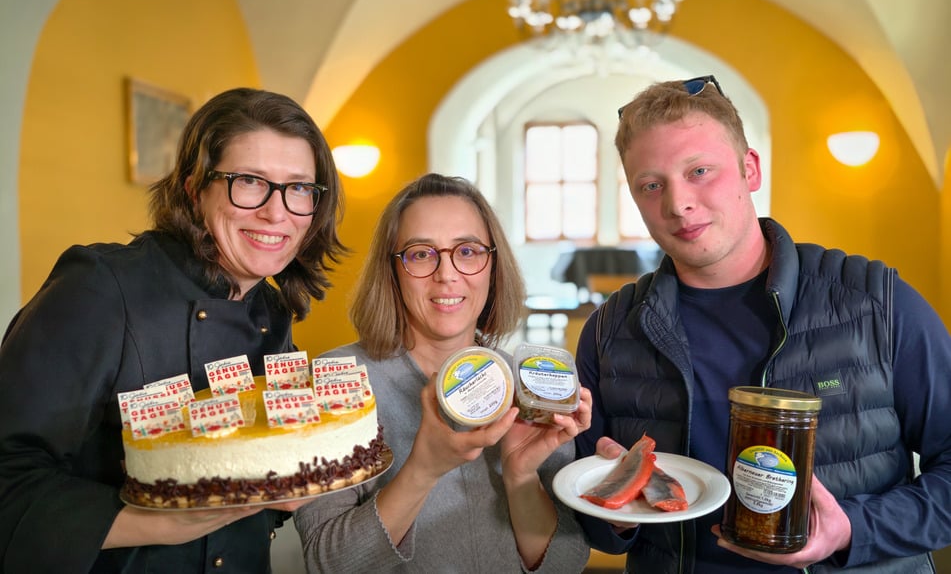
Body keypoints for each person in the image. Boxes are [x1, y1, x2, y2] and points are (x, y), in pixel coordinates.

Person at [575, 75, 951, 573]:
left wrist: (852, 529)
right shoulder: (609, 330)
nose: (677, 203)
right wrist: (613, 506)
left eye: (700, 171)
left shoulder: (875, 303)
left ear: (749, 169)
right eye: (651, 185)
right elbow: (597, 526)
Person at [0, 87, 346, 573]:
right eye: (250, 181)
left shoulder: (271, 309)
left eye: (300, 188)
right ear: (193, 189)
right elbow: (9, 475)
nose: (277, 211)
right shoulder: (100, 289)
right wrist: (159, 523)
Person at [293, 173, 592, 573]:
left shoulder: (528, 385)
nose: (447, 274)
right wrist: (423, 469)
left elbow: (565, 564)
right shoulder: (332, 381)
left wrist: (521, 476)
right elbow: (328, 563)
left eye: (467, 251)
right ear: (392, 270)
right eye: (421, 254)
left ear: (492, 265)